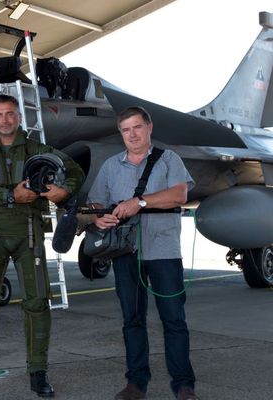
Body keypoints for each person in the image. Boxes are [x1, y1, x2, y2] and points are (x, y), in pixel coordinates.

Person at [0, 94, 84, 398]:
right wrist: (10, 196)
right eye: (0, 114)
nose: (5, 120)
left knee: (38, 303)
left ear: (19, 117)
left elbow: (76, 172)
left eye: (11, 114)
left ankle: (38, 372)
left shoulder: (38, 150)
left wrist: (61, 190)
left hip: (29, 236)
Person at [87, 106, 198, 400]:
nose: (132, 134)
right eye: (126, 129)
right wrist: (99, 217)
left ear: (149, 127)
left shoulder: (169, 160)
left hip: (163, 252)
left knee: (174, 320)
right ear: (121, 133)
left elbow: (179, 195)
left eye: (137, 127)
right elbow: (97, 201)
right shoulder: (111, 166)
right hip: (125, 252)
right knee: (132, 320)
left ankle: (183, 385)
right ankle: (137, 383)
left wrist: (140, 203)